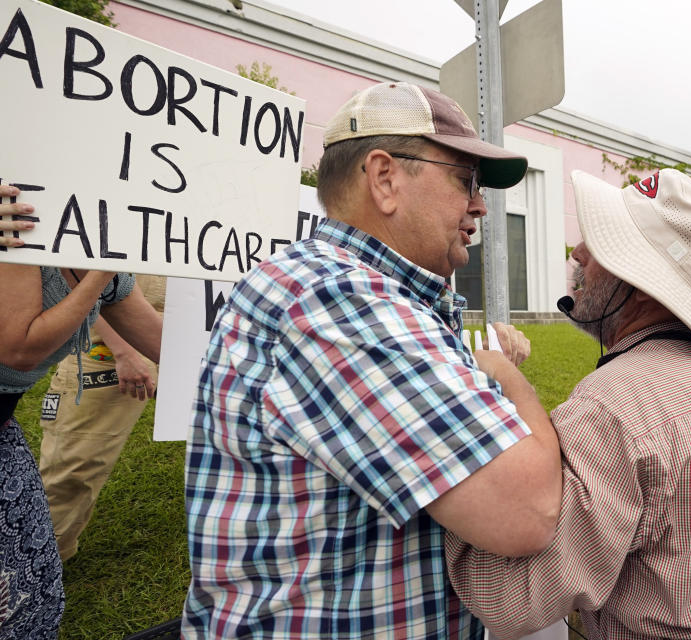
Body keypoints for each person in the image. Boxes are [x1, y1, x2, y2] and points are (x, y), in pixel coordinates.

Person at [180, 82, 562, 639]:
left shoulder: (359, 293)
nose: (480, 204)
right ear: (385, 179)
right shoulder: (335, 299)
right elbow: (528, 510)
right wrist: (503, 374)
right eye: (465, 180)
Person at [445, 169, 691, 639]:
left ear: (637, 282)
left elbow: (509, 598)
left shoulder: (609, 407)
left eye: (600, 243)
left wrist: (499, 390)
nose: (578, 253)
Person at [0, 185, 162, 639]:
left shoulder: (109, 272)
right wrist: (104, 265)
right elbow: (20, 349)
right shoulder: (19, 225)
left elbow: (173, 347)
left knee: (33, 584)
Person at [38, 275, 166, 561]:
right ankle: (36, 563)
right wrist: (122, 349)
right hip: (112, 336)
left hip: (194, 322)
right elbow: (75, 272)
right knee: (75, 463)